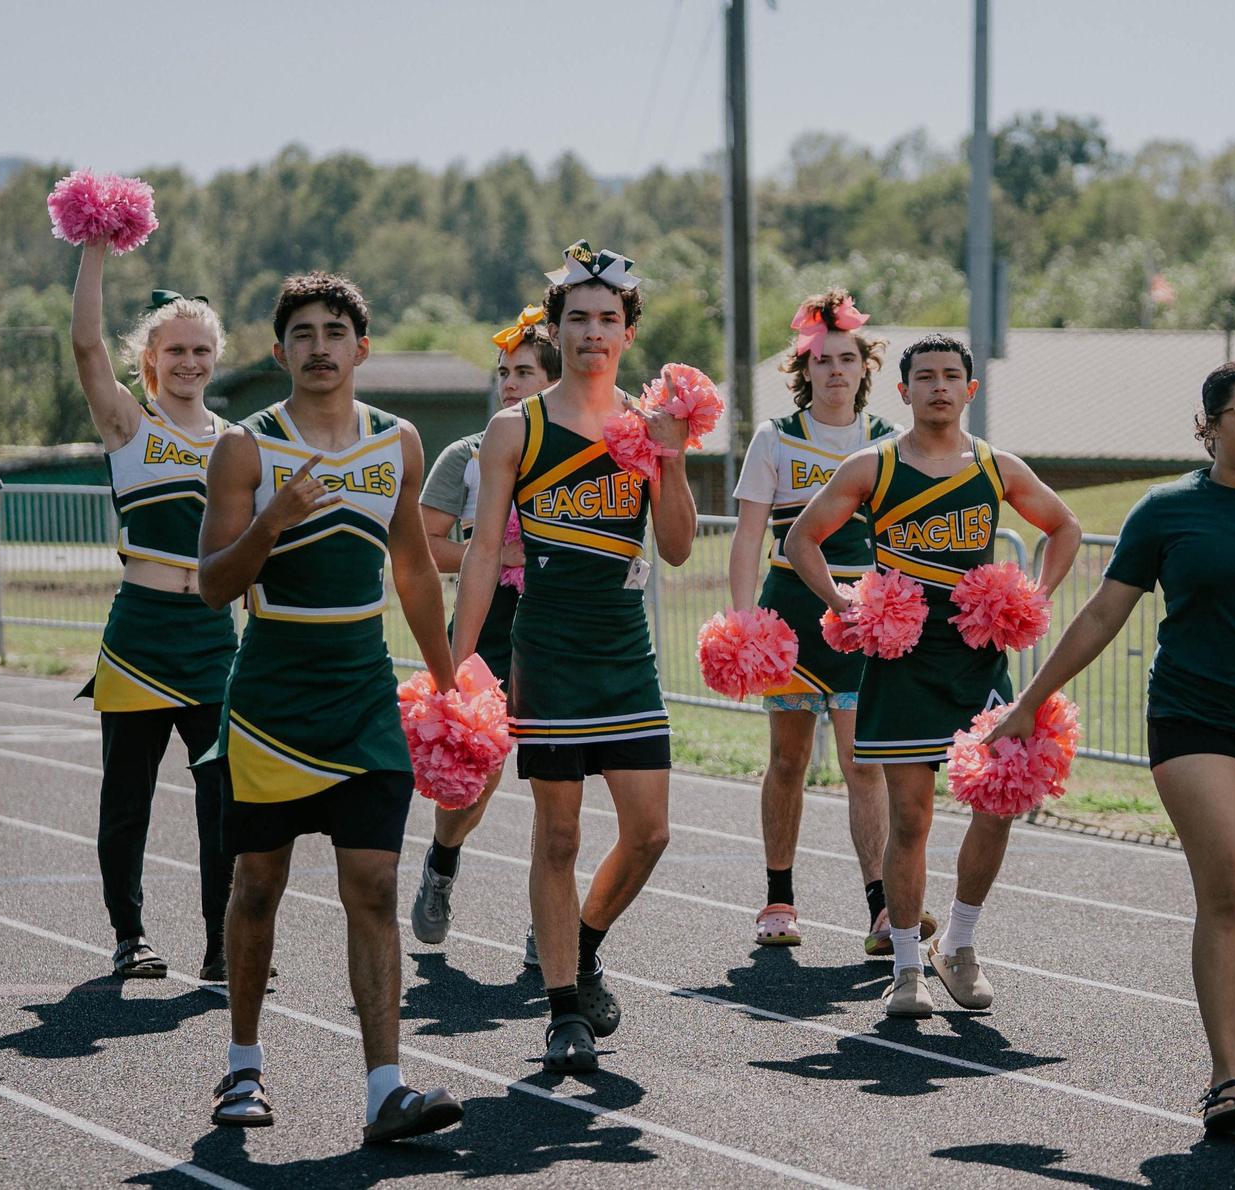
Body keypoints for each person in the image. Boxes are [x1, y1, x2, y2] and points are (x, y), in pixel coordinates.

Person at [985, 362, 1235, 1132]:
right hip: (1192, 719)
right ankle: (1224, 1076)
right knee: (1229, 883)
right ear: (1209, 425)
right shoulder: (1166, 510)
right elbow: (1100, 615)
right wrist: (1031, 699)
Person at [196, 272, 462, 1143]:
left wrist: (448, 676)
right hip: (272, 699)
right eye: (301, 333)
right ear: (279, 353)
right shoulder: (246, 447)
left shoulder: (399, 442)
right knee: (259, 885)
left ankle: (385, 1089)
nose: (318, 346)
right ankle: (242, 1068)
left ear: (361, 348)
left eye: (334, 331)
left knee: (376, 886)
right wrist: (270, 520)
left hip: (362, 696)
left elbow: (416, 571)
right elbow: (211, 586)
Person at [451, 241, 697, 1073]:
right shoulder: (514, 427)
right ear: (556, 328)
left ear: (628, 331)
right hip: (548, 648)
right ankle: (563, 1012)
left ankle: (584, 946)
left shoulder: (645, 426)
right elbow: (485, 552)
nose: (593, 332)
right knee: (556, 837)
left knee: (652, 832)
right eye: (578, 318)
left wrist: (673, 454)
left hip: (624, 648)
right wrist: (460, 668)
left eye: (608, 319)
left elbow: (675, 549)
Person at [784, 333, 1079, 1019]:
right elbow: (801, 537)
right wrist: (845, 606)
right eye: (927, 377)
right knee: (910, 820)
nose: (940, 387)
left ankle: (961, 943)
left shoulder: (995, 467)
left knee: (999, 802)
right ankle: (909, 969)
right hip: (903, 660)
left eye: (953, 376)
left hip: (978, 660)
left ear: (970, 390)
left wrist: (1033, 594)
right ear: (904, 391)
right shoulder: (873, 466)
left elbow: (1062, 527)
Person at [70, 241, 239, 982]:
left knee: (225, 801)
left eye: (202, 350)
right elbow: (83, 344)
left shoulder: (240, 443)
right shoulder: (128, 427)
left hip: (212, 636)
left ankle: (221, 944)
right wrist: (96, 253)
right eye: (176, 350)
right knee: (127, 798)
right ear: (151, 357)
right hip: (140, 632)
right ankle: (129, 933)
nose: (190, 363)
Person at [727, 289, 910, 951]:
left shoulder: (892, 442)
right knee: (787, 760)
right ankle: (779, 897)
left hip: (867, 618)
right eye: (822, 360)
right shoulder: (777, 438)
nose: (835, 370)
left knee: (866, 764)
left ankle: (882, 909)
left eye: (847, 359)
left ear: (866, 368)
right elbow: (749, 535)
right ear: (805, 370)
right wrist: (743, 620)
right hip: (794, 617)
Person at [410, 306, 561, 955]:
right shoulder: (465, 456)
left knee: (561, 788)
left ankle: (546, 922)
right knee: (480, 774)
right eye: (503, 372)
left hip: (560, 630)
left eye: (522, 372)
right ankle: (442, 861)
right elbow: (419, 546)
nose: (507, 383)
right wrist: (495, 554)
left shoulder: (583, 454)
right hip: (489, 627)